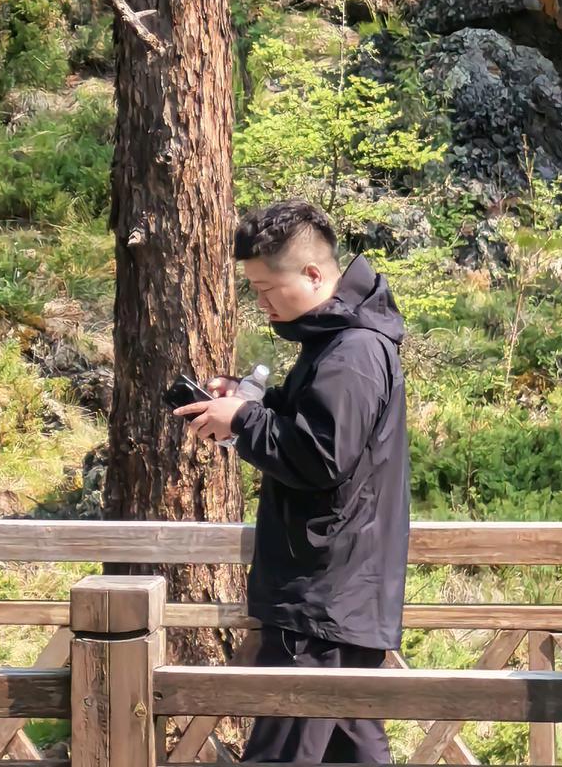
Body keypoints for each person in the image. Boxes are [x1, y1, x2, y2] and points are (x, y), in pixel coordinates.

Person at [173, 199, 410, 764]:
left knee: (281, 755)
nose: (260, 304)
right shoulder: (337, 342)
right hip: (336, 596)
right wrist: (256, 403)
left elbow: (322, 457)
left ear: (311, 273)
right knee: (353, 753)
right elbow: (319, 430)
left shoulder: (352, 351)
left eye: (265, 288)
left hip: (322, 598)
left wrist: (246, 421)